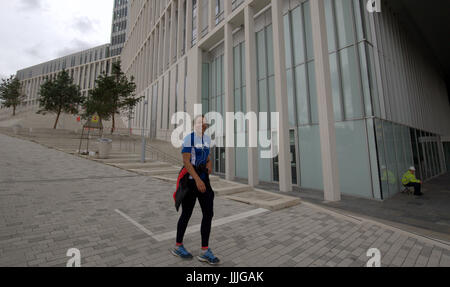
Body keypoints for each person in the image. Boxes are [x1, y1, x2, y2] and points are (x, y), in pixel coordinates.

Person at [171, 115, 221, 265]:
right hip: (192, 182)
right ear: (195, 125)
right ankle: (178, 246)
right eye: (200, 122)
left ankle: (205, 251)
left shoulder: (206, 139)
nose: (203, 125)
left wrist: (210, 164)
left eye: (205, 123)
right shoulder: (189, 139)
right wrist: (198, 180)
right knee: (186, 213)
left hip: (204, 181)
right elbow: (186, 161)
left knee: (208, 213)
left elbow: (207, 156)